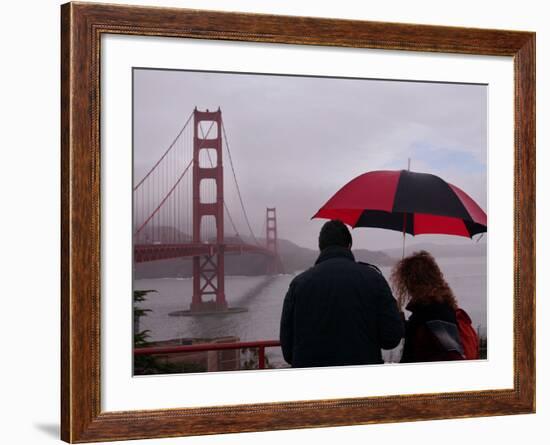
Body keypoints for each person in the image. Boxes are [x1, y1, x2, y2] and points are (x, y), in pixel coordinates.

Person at [279, 220, 404, 368]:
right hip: (361, 381)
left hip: (312, 384)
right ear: (349, 245)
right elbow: (391, 338)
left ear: (321, 247)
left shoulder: (298, 284)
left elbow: (288, 352)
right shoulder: (374, 279)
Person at [391, 250, 465, 363]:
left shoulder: (429, 310)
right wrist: (401, 322)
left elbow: (448, 352)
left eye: (406, 281)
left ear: (414, 282)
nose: (405, 287)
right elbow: (423, 336)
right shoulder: (438, 304)